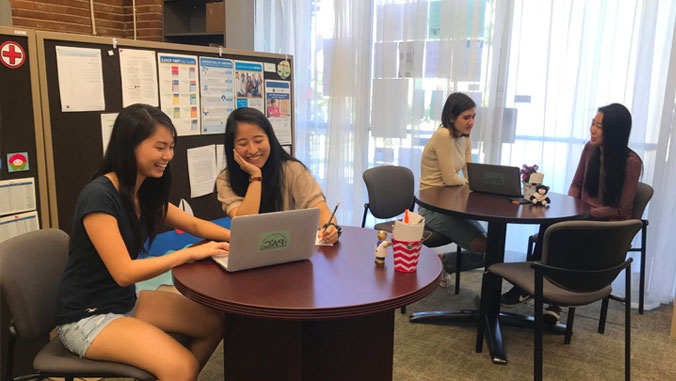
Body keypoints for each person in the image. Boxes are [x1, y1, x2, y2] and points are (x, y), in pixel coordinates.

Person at [54, 104, 231, 380]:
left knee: (213, 323)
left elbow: (194, 224)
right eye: (160, 147)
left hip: (124, 301)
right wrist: (188, 254)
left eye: (171, 147)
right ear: (130, 146)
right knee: (180, 366)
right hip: (87, 317)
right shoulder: (99, 196)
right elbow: (124, 273)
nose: (168, 156)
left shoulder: (144, 190)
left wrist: (244, 236)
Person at [501, 103, 642, 324]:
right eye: (592, 124)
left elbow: (623, 211)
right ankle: (542, 294)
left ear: (615, 131)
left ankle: (539, 292)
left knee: (555, 232)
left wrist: (584, 212)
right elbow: (576, 185)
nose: (592, 130)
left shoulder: (631, 163)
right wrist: (570, 208)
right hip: (582, 216)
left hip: (603, 228)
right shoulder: (590, 149)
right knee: (549, 222)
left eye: (599, 126)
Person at [216, 107, 340, 244]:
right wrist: (255, 176)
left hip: (290, 247)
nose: (252, 150)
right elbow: (245, 223)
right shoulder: (225, 179)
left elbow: (319, 207)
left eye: (258, 140)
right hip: (249, 250)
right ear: (232, 148)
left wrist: (330, 227)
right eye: (243, 143)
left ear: (270, 139)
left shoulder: (292, 170)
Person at [418, 92, 487, 286]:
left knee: (491, 247)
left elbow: (469, 174)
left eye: (473, 116)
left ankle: (442, 262)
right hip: (432, 208)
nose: (471, 122)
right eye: (466, 117)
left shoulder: (465, 138)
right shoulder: (442, 135)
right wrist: (470, 183)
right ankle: (440, 264)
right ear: (451, 117)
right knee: (484, 246)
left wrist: (481, 184)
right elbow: (449, 179)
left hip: (452, 204)